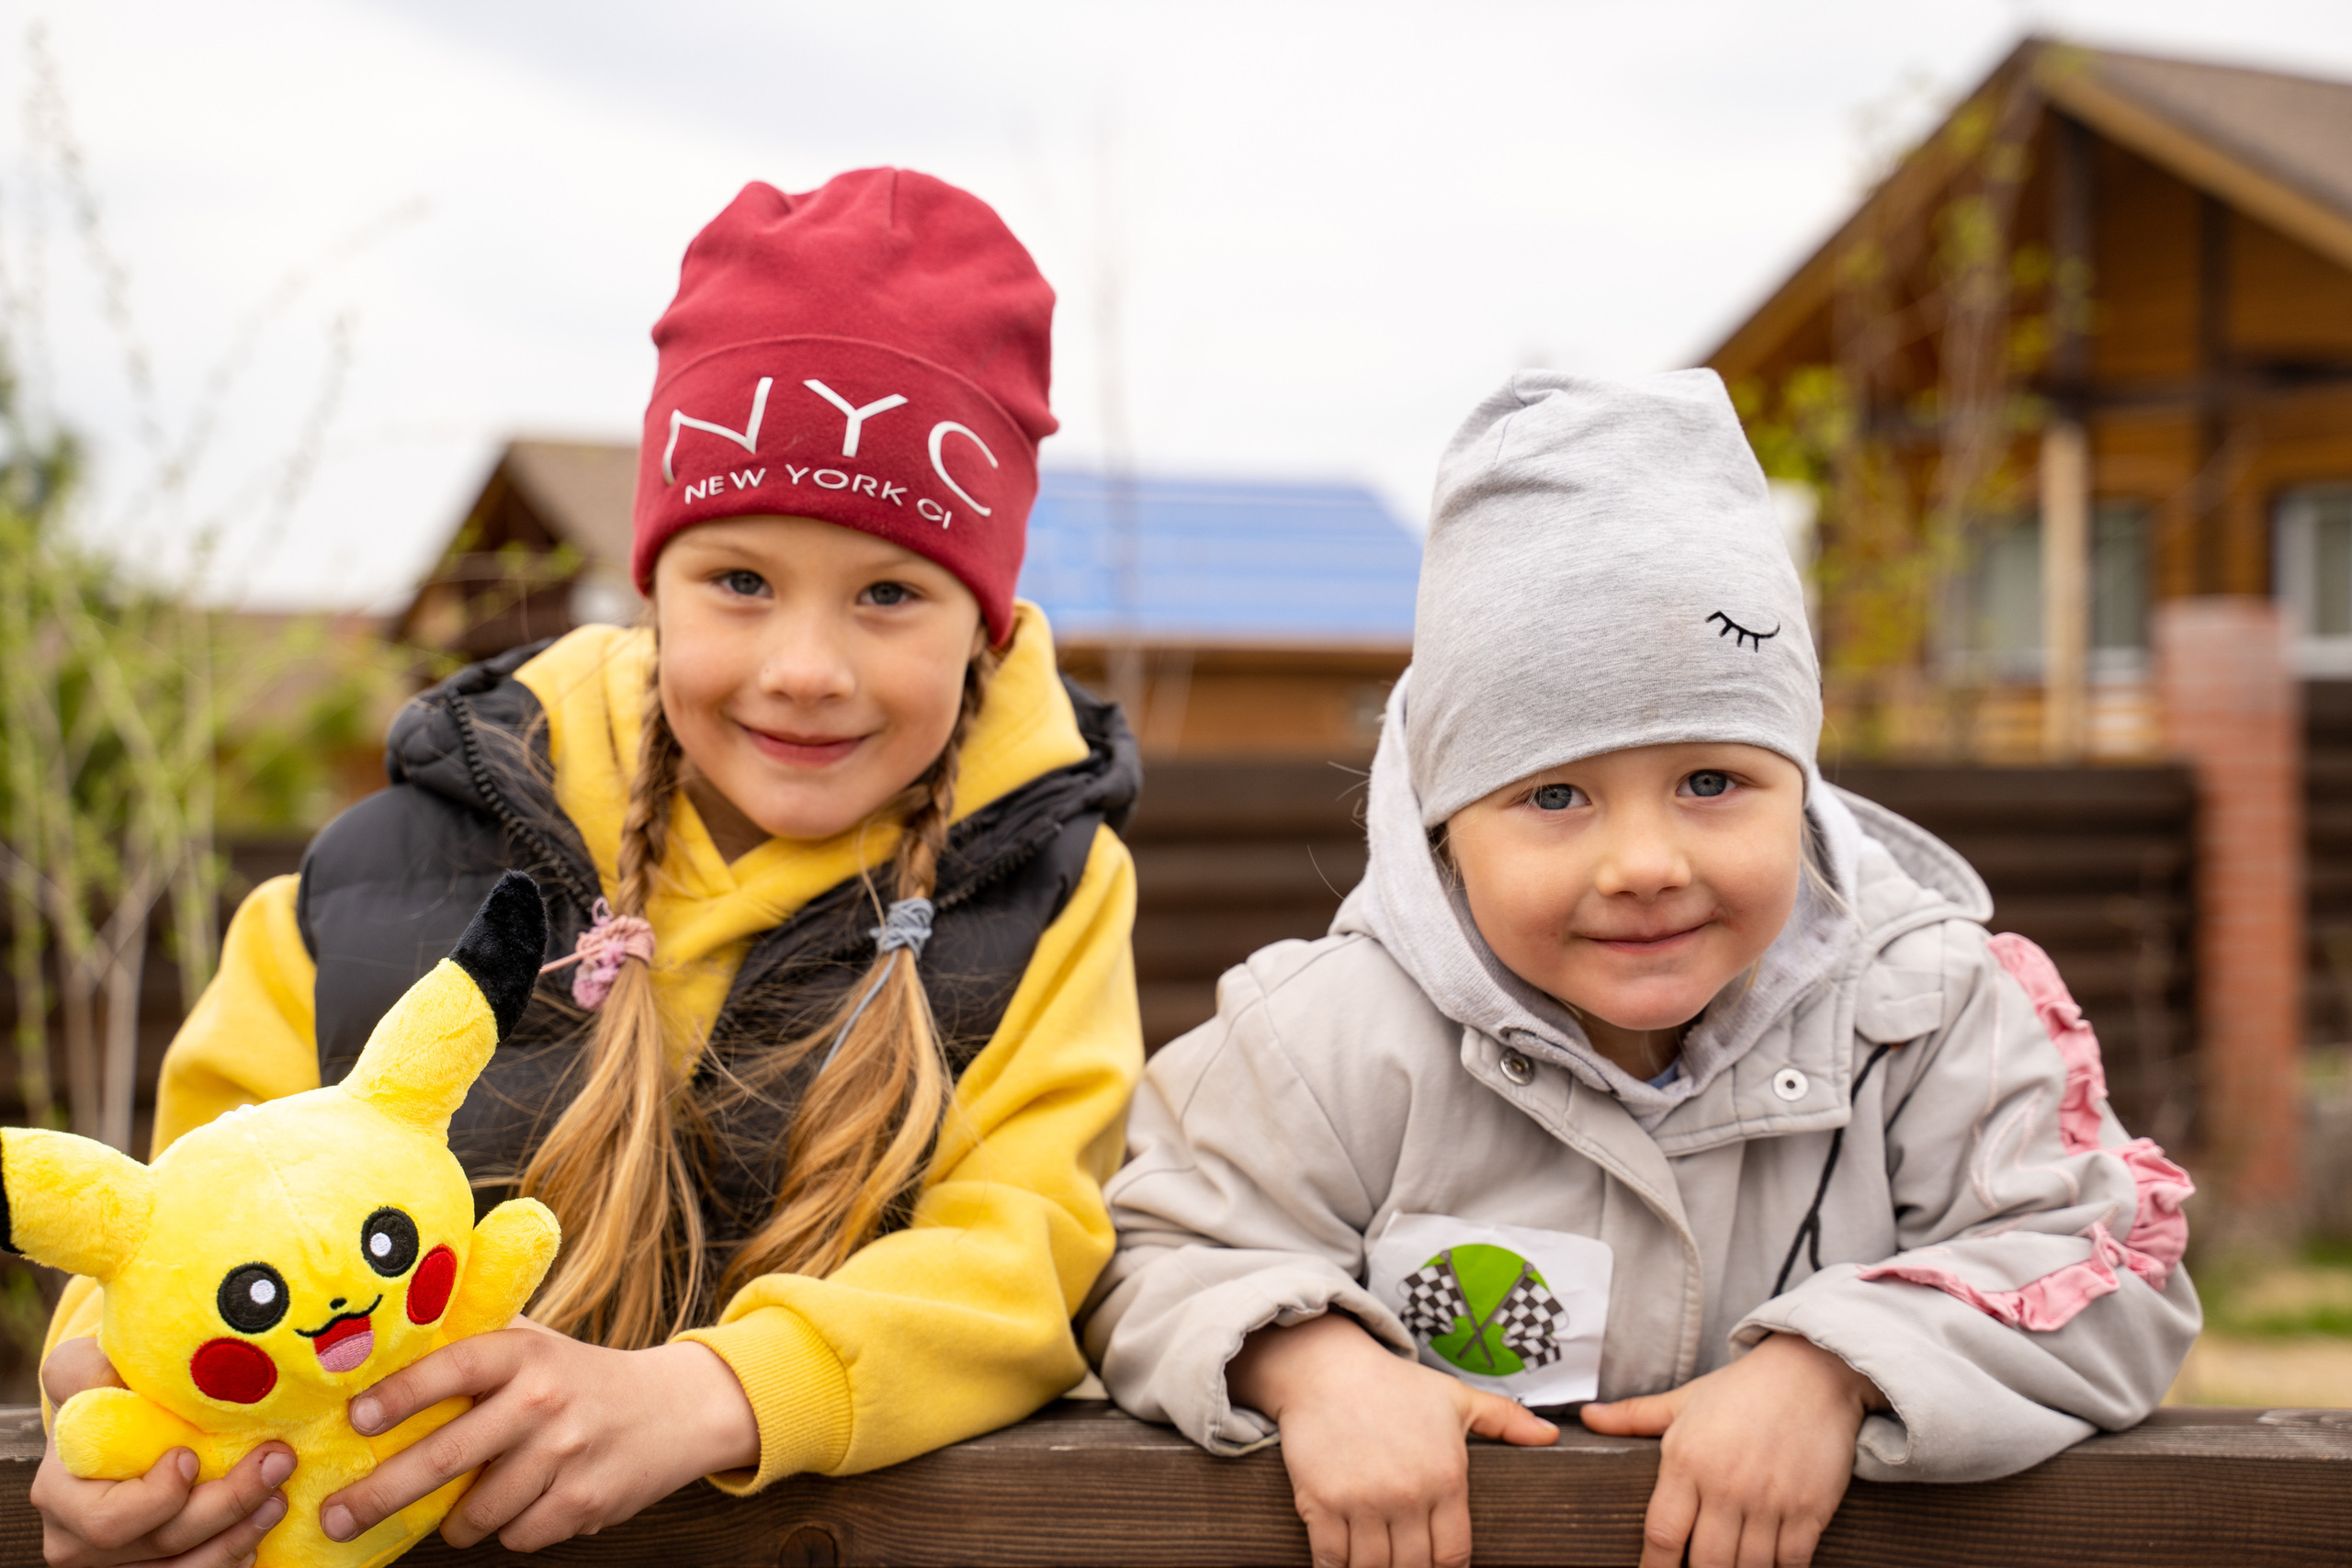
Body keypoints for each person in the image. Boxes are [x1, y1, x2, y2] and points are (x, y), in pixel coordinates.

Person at [31, 168, 1145, 1567]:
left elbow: (1025, 1252)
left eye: (889, 594)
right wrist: (114, 1388)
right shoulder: (385, 871)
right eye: (739, 581)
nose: (806, 669)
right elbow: (177, 1203)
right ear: (654, 584)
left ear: (985, 623)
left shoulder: (1044, 891)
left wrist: (714, 1394)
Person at [1084, 370, 2199, 1568]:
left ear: (1801, 781)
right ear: (1444, 825)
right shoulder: (1318, 1045)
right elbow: (1148, 1258)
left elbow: (2106, 1266)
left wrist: (1837, 1367)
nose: (1644, 864)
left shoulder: (1931, 1015)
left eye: (1712, 782)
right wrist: (1308, 1362)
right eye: (1554, 795)